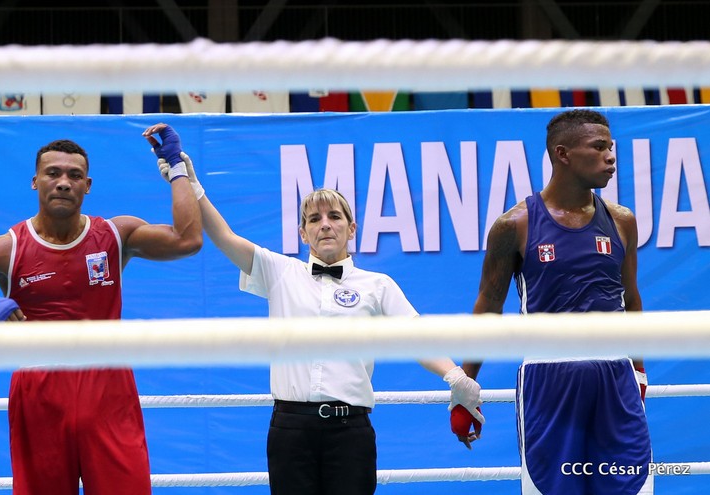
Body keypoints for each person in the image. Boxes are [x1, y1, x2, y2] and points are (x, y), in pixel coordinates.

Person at [143, 123, 484, 495]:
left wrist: (456, 378)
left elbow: (415, 336)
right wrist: (188, 182)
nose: (325, 225)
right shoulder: (279, 271)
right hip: (290, 430)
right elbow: (225, 237)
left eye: (334, 217)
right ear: (302, 233)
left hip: (350, 432)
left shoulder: (378, 285)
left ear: (351, 228)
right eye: (314, 219)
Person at [0, 124, 202, 495]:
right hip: (39, 389)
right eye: (53, 173)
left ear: (88, 185)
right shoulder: (5, 249)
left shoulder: (116, 235)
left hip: (108, 385)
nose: (64, 183)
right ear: (35, 181)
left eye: (74, 175)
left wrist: (176, 168)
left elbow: (187, 239)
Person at [463, 109, 652, 494]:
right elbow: (488, 307)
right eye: (598, 147)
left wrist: (639, 371)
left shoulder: (622, 221)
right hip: (549, 379)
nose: (610, 157)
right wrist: (466, 387)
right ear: (562, 154)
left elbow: (630, 300)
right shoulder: (515, 225)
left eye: (611, 147)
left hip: (616, 378)